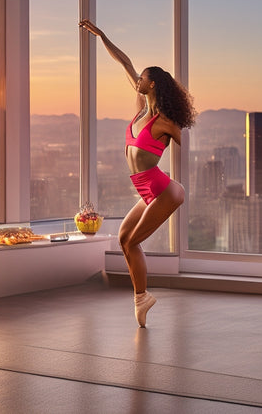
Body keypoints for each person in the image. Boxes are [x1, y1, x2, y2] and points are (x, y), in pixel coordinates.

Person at [80, 20, 197, 327]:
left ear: (153, 84)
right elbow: (126, 62)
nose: (138, 81)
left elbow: (187, 140)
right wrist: (103, 36)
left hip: (162, 189)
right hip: (146, 191)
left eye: (143, 79)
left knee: (132, 242)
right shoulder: (141, 109)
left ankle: (141, 298)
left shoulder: (164, 121)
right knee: (123, 238)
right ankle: (142, 298)